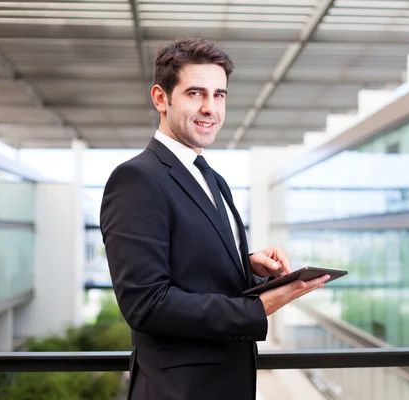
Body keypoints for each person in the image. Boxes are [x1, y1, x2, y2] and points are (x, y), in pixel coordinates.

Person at [100, 37, 330, 400]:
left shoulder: (211, 178)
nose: (211, 108)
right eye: (196, 93)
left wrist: (249, 269)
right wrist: (260, 307)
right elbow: (146, 304)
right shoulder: (136, 179)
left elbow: (195, 269)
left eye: (219, 95)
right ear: (161, 98)